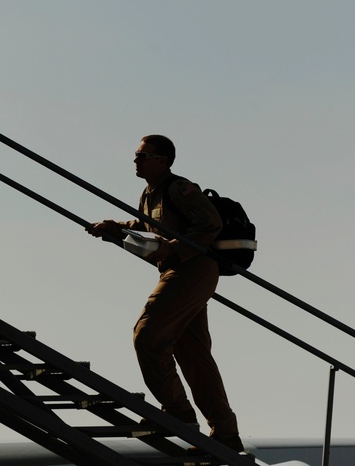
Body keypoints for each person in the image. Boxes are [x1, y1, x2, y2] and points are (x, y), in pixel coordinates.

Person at [87, 134, 243, 453]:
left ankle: (177, 412)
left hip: (192, 268)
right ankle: (225, 433)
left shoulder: (180, 189)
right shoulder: (149, 195)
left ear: (163, 161)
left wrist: (175, 250)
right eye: (137, 155)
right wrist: (116, 228)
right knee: (193, 354)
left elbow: (210, 223)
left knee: (148, 334)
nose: (136, 160)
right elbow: (147, 228)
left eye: (143, 156)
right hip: (179, 270)